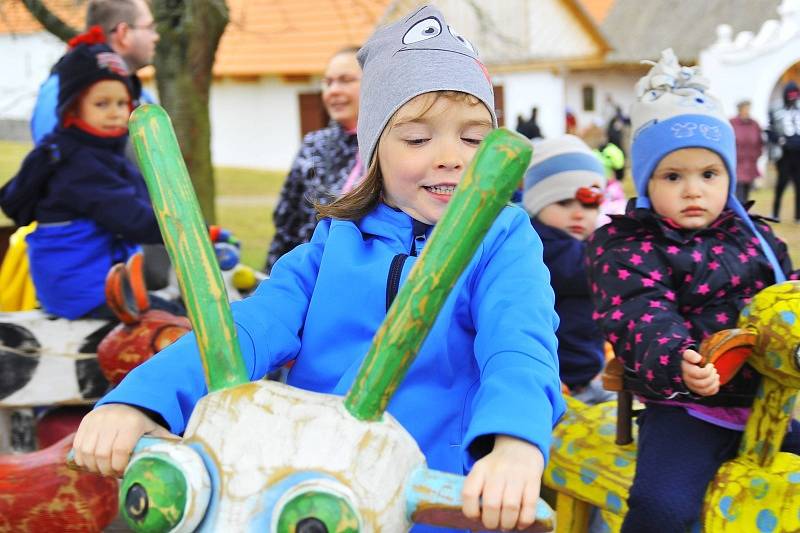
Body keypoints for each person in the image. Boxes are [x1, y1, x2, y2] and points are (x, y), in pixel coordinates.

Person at [72, 6, 565, 532]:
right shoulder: (333, 245)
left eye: (473, 139)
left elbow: (519, 342)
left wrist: (513, 443)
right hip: (306, 497)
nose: (451, 156)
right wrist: (140, 401)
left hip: (432, 499)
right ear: (375, 150)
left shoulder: (502, 242)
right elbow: (246, 329)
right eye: (418, 139)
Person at [586, 49, 800, 532]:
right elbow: (640, 312)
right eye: (673, 176)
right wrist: (677, 357)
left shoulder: (757, 237)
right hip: (688, 407)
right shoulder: (629, 247)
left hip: (768, 405)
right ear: (645, 181)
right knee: (664, 505)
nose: (693, 190)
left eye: (709, 174)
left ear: (729, 174)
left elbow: (783, 297)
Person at [0, 39, 165, 320]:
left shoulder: (102, 154)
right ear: (73, 110)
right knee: (176, 326)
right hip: (83, 291)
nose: (115, 112)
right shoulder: (79, 165)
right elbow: (134, 220)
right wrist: (190, 230)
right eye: (102, 104)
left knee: (168, 311)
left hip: (94, 282)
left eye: (122, 103)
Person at [523, 134, 612, 404]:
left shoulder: (580, 245)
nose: (578, 214)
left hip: (584, 369)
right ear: (538, 202)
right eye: (564, 203)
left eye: (588, 205)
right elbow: (590, 269)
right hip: (557, 375)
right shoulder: (542, 244)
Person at [265, 46, 362, 272]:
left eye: (345, 80)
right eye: (328, 82)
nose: (333, 91)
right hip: (307, 277)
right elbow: (287, 222)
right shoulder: (314, 145)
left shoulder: (394, 147)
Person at [30, 0, 159, 145]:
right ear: (123, 33)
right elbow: (57, 160)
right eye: (150, 28)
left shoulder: (141, 96)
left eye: (121, 103)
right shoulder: (64, 92)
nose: (156, 37)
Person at [768, 81, 800, 221]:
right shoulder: (776, 110)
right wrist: (780, 140)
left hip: (798, 154)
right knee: (781, 184)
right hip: (784, 154)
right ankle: (775, 213)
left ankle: (798, 215)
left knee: (799, 185)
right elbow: (769, 130)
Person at [730, 100, 763, 203]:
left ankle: (743, 214)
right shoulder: (732, 123)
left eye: (748, 108)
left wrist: (757, 155)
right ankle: (740, 215)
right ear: (739, 109)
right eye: (745, 108)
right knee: (739, 190)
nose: (747, 111)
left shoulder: (754, 124)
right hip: (737, 163)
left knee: (747, 191)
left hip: (750, 163)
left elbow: (760, 142)